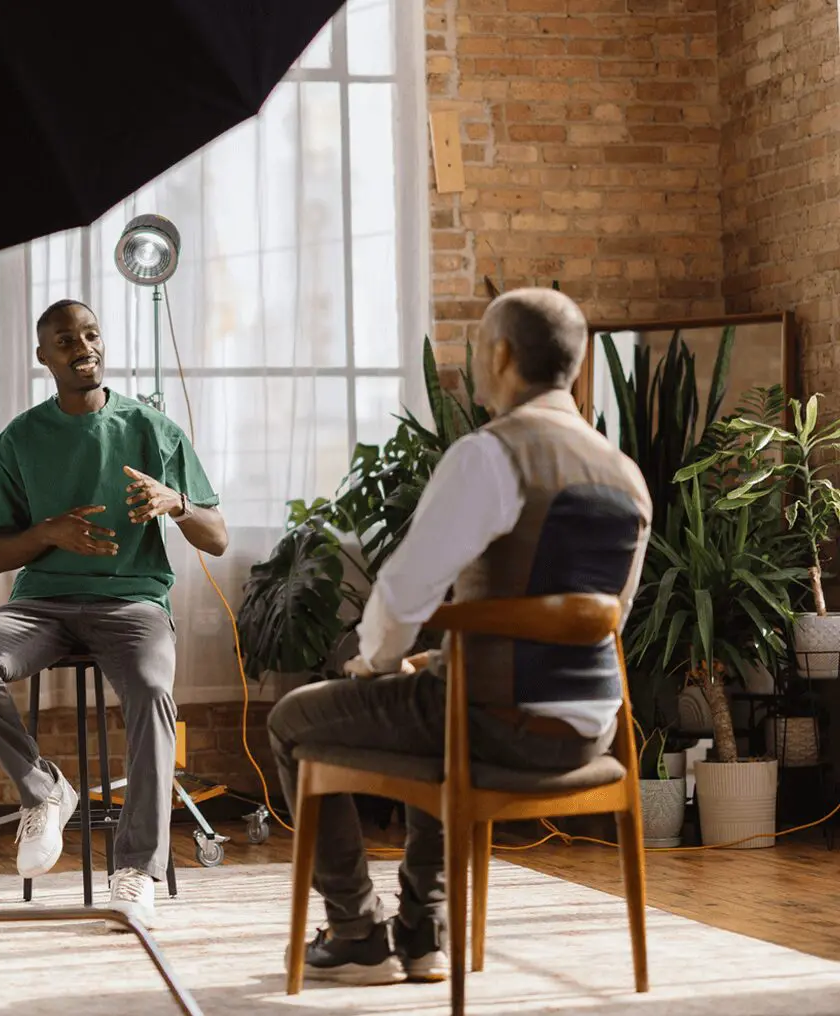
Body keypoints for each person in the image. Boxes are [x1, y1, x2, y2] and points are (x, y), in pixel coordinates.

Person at [268, 287, 651, 985]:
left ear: (502, 355)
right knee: (439, 692)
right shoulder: (624, 474)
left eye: (480, 349)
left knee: (293, 720)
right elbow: (599, 619)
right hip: (589, 732)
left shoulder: (490, 456)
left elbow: (406, 590)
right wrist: (436, 659)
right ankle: (423, 930)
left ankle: (355, 932)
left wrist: (374, 662)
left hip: (495, 723)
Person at [0, 299, 228, 928]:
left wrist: (174, 503)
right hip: (41, 604)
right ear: (44, 356)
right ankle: (44, 789)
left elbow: (218, 538)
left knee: (153, 691)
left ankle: (134, 870)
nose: (84, 347)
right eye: (66, 340)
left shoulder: (153, 429)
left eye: (91, 334)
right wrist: (49, 533)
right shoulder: (21, 439)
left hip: (131, 603)